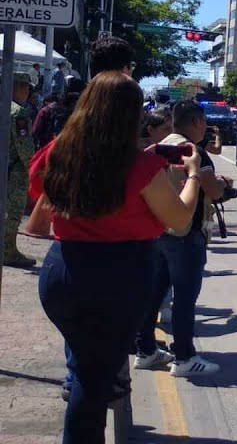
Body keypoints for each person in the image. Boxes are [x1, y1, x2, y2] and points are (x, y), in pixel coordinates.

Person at [31, 72, 201, 443]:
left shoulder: (61, 150)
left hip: (61, 271)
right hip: (117, 279)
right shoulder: (139, 168)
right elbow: (180, 220)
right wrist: (191, 177)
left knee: (86, 369)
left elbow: (38, 186)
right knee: (93, 384)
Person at [135, 100, 226, 377]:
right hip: (185, 234)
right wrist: (223, 184)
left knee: (153, 294)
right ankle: (184, 357)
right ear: (197, 123)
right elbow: (213, 190)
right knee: (185, 299)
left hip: (157, 231)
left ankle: (146, 350)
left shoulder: (159, 147)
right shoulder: (194, 151)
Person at [6, 72, 37, 267]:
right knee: (13, 211)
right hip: (14, 171)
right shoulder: (19, 112)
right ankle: (8, 250)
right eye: (25, 87)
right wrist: (34, 169)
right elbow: (25, 149)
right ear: (17, 87)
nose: (27, 92)